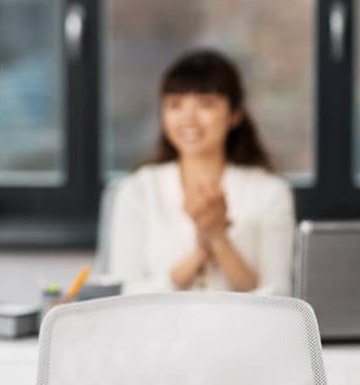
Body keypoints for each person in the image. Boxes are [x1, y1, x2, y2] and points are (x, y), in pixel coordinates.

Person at [110, 49, 295, 294]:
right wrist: (199, 254)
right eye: (175, 105)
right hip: (159, 330)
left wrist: (219, 237)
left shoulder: (271, 192)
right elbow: (124, 295)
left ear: (235, 114)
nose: (188, 118)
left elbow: (277, 297)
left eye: (205, 104)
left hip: (241, 331)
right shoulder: (137, 190)